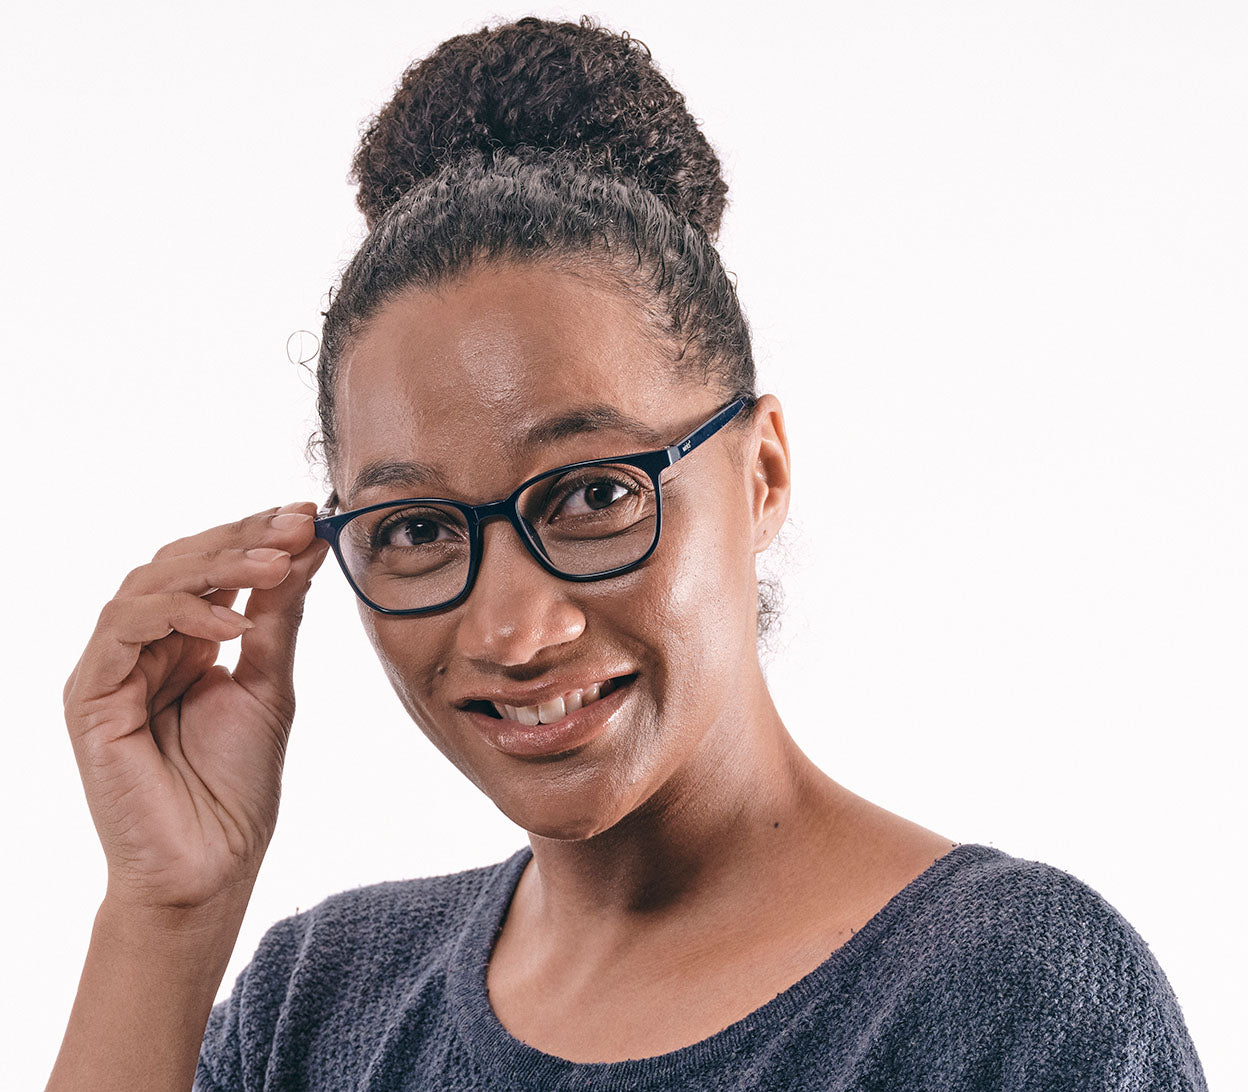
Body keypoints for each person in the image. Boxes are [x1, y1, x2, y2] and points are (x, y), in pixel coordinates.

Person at [48, 16, 1208, 1092]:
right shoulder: (318, 1010)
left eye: (595, 495)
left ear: (762, 475)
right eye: (413, 529)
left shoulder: (1012, 1001)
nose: (511, 630)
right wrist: (166, 915)